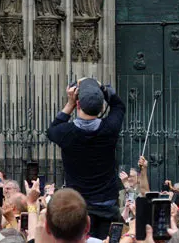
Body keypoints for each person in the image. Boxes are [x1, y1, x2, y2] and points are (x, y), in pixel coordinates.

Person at [47, 78, 125, 239]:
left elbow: (52, 129)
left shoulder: (65, 133)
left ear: (78, 104)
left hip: (78, 207)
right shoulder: (110, 128)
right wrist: (102, 88)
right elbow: (118, 105)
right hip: (107, 205)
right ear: (102, 107)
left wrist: (69, 103)